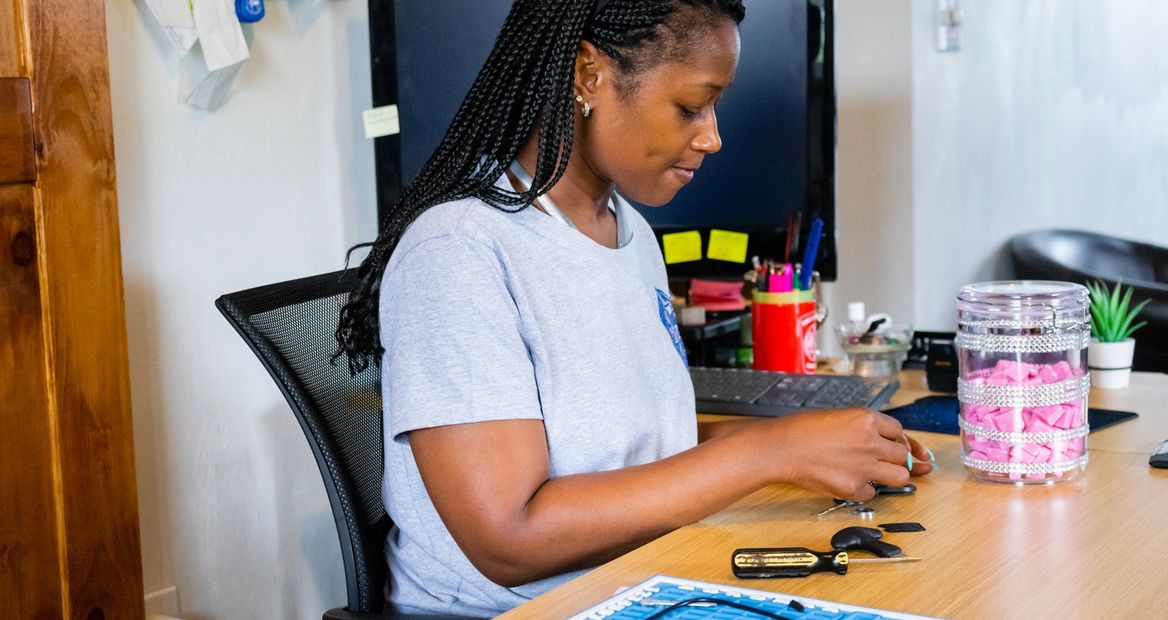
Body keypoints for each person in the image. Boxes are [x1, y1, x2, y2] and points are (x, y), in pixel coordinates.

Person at [335, 0, 933, 616]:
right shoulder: (459, 250)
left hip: (645, 573)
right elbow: (509, 540)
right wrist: (769, 454)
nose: (712, 136)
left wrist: (812, 447)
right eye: (690, 106)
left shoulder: (630, 233)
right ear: (588, 74)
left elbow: (633, 444)